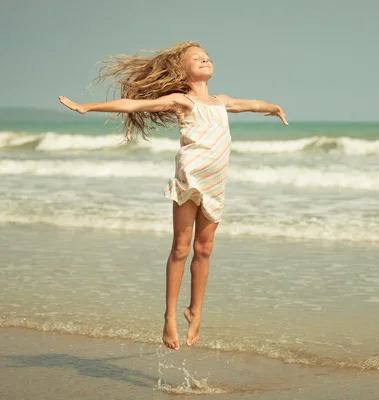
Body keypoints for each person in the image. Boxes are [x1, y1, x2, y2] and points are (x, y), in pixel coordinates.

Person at [58, 41, 288, 350]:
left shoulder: (221, 101)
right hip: (190, 177)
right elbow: (133, 105)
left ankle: (195, 310)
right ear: (183, 70)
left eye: (206, 56)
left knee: (204, 249)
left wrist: (273, 108)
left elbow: (251, 104)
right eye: (196, 58)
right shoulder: (182, 100)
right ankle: (169, 317)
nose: (204, 59)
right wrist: (87, 107)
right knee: (181, 248)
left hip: (215, 183)